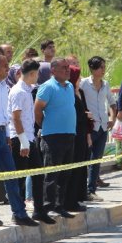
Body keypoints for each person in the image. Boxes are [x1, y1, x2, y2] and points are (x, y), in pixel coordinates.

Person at [0, 54, 39, 227]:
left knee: (11, 174)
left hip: (2, 133)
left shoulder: (4, 87)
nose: (8, 68)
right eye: (4, 65)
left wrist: (8, 136)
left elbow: (6, 114)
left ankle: (19, 213)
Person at [8, 59, 52, 223]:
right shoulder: (18, 91)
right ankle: (18, 213)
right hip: (20, 139)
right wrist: (23, 142)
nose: (38, 76)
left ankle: (39, 211)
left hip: (30, 138)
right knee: (19, 178)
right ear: (32, 74)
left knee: (38, 175)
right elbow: (16, 118)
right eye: (37, 73)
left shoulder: (28, 89)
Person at [34, 57, 77, 219]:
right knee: (51, 174)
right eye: (64, 67)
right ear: (53, 71)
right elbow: (37, 110)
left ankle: (60, 205)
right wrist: (46, 125)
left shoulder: (70, 86)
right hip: (52, 137)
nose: (68, 70)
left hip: (69, 135)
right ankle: (48, 206)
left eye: (68, 67)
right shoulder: (48, 87)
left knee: (65, 173)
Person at [80, 56, 116, 196]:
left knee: (97, 160)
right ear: (92, 69)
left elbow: (112, 103)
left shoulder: (105, 84)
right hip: (90, 128)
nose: (103, 70)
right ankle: (82, 190)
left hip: (103, 127)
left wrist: (112, 118)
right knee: (85, 160)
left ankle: (91, 190)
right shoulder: (83, 84)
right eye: (101, 67)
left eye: (104, 67)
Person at [64, 62, 93, 211]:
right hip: (73, 133)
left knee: (81, 166)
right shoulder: (68, 93)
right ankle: (70, 200)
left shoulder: (79, 92)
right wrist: (84, 115)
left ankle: (78, 196)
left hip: (82, 133)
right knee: (73, 168)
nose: (80, 79)